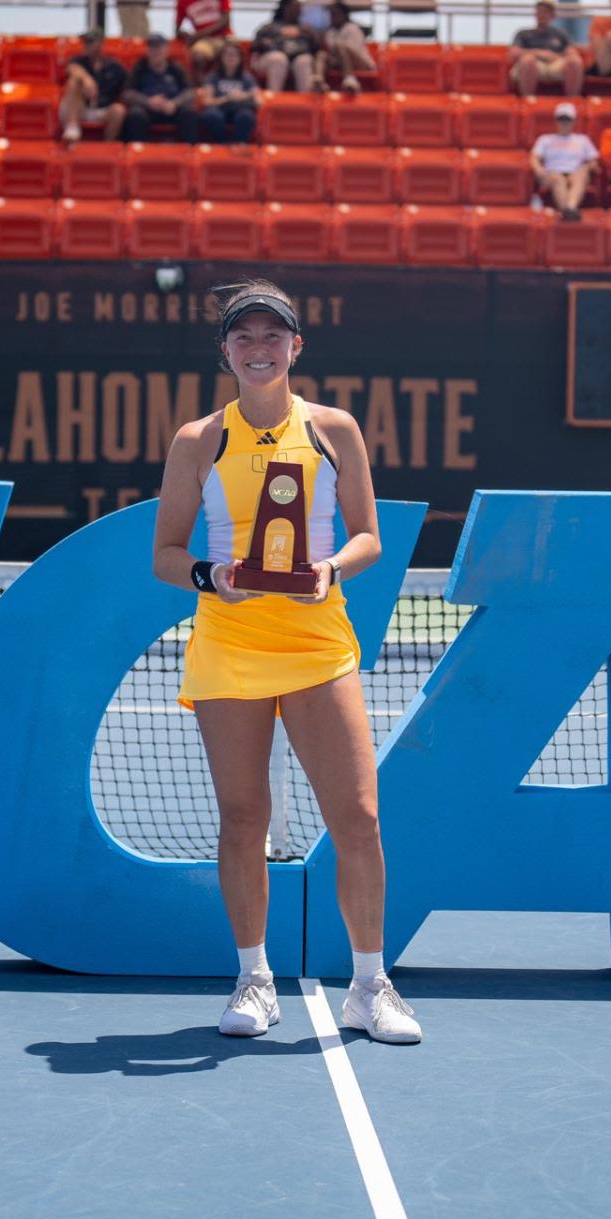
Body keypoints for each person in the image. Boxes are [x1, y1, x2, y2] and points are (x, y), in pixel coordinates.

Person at [151, 279, 422, 1046]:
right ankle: (254, 979)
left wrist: (332, 569)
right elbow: (167, 553)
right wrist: (212, 577)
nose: (260, 349)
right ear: (226, 353)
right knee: (244, 818)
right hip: (230, 645)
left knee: (359, 818)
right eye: (245, 338)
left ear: (296, 348)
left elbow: (369, 535)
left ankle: (370, 987)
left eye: (274, 337)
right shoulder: (198, 440)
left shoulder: (335, 428)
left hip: (317, 644)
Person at [122, 33, 199, 143]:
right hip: (148, 109)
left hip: (172, 108)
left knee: (189, 113)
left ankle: (189, 152)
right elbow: (127, 93)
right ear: (147, 50)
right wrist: (148, 102)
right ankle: (138, 151)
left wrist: (174, 103)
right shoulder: (139, 68)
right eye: (152, 47)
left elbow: (190, 92)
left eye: (159, 47)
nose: (155, 51)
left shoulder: (176, 68)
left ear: (166, 50)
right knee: (135, 114)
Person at [529, 101, 599, 221]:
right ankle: (568, 211)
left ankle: (569, 210)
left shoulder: (583, 140)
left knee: (581, 173)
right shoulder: (545, 139)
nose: (564, 123)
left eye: (567, 119)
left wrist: (587, 167)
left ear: (573, 121)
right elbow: (534, 157)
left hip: (575, 172)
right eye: (561, 119)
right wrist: (539, 170)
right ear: (556, 121)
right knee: (557, 177)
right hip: (552, 173)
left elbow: (593, 160)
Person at [61, 27, 129, 144]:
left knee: (119, 110)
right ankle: (72, 127)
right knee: (74, 81)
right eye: (85, 41)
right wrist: (86, 79)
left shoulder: (115, 67)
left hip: (102, 108)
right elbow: (72, 69)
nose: (86, 45)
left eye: (90, 41)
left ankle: (108, 146)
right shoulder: (78, 60)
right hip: (79, 107)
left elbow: (127, 88)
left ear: (101, 43)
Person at [510, 0, 587, 99]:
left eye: (546, 12)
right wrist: (538, 53)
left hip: (556, 64)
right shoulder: (523, 34)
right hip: (534, 64)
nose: (542, 15)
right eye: (539, 11)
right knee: (527, 60)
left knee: (575, 61)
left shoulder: (561, 34)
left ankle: (572, 102)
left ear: (553, 16)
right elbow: (513, 52)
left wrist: (562, 55)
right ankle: (528, 101)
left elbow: (571, 51)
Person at [198, 40, 259, 143]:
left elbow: (258, 100)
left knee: (246, 116)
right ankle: (222, 145)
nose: (230, 57)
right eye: (227, 54)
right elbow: (207, 101)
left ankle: (238, 146)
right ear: (221, 58)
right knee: (211, 115)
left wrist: (244, 96)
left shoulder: (247, 77)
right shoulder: (212, 77)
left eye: (234, 55)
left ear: (240, 58)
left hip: (240, 109)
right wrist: (227, 98)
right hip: (219, 109)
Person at [251, 1, 318, 92]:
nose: (297, 11)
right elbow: (254, 46)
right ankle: (274, 98)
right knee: (279, 59)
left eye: (298, 8)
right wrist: (275, 36)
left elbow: (316, 47)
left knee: (304, 60)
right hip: (273, 59)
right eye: (293, 8)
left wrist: (303, 33)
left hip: (298, 59)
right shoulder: (270, 27)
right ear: (285, 8)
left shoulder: (306, 28)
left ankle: (305, 100)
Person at [176, 0, 233, 71]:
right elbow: (177, 30)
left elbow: (225, 21)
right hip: (203, 41)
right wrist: (186, 35)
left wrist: (199, 35)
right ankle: (202, 82)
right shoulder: (182, 2)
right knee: (198, 58)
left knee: (232, 53)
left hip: (224, 36)